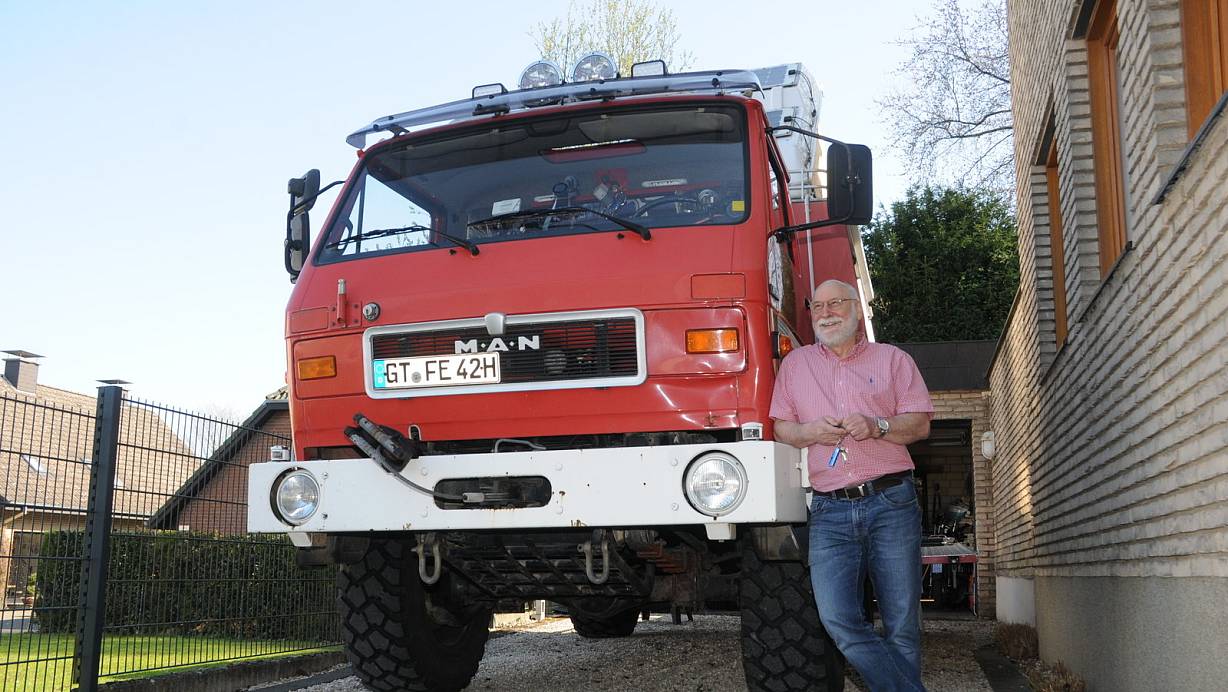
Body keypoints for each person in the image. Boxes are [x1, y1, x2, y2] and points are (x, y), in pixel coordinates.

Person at [770, 279, 934, 692]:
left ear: (856, 309)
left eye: (836, 303)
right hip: (829, 509)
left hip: (891, 501)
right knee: (838, 619)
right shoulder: (796, 365)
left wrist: (878, 426)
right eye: (817, 306)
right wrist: (808, 431)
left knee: (901, 623)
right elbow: (781, 427)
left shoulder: (893, 360)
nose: (825, 312)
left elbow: (920, 423)